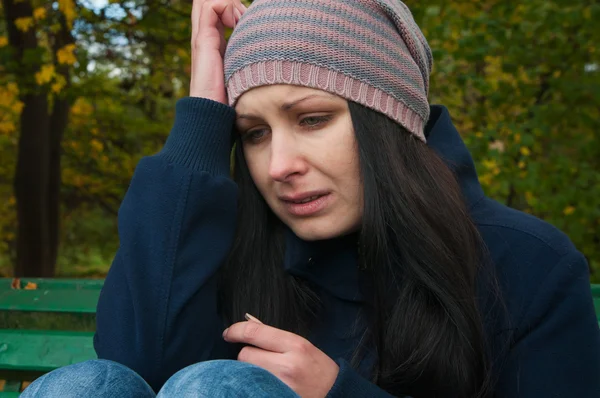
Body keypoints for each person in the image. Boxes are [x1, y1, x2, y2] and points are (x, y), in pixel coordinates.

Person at [22, 0, 600, 397]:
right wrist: (203, 109)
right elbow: (135, 363)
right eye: (253, 133)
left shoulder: (528, 267)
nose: (279, 166)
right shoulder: (240, 248)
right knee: (89, 386)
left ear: (387, 120)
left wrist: (337, 392)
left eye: (314, 119)